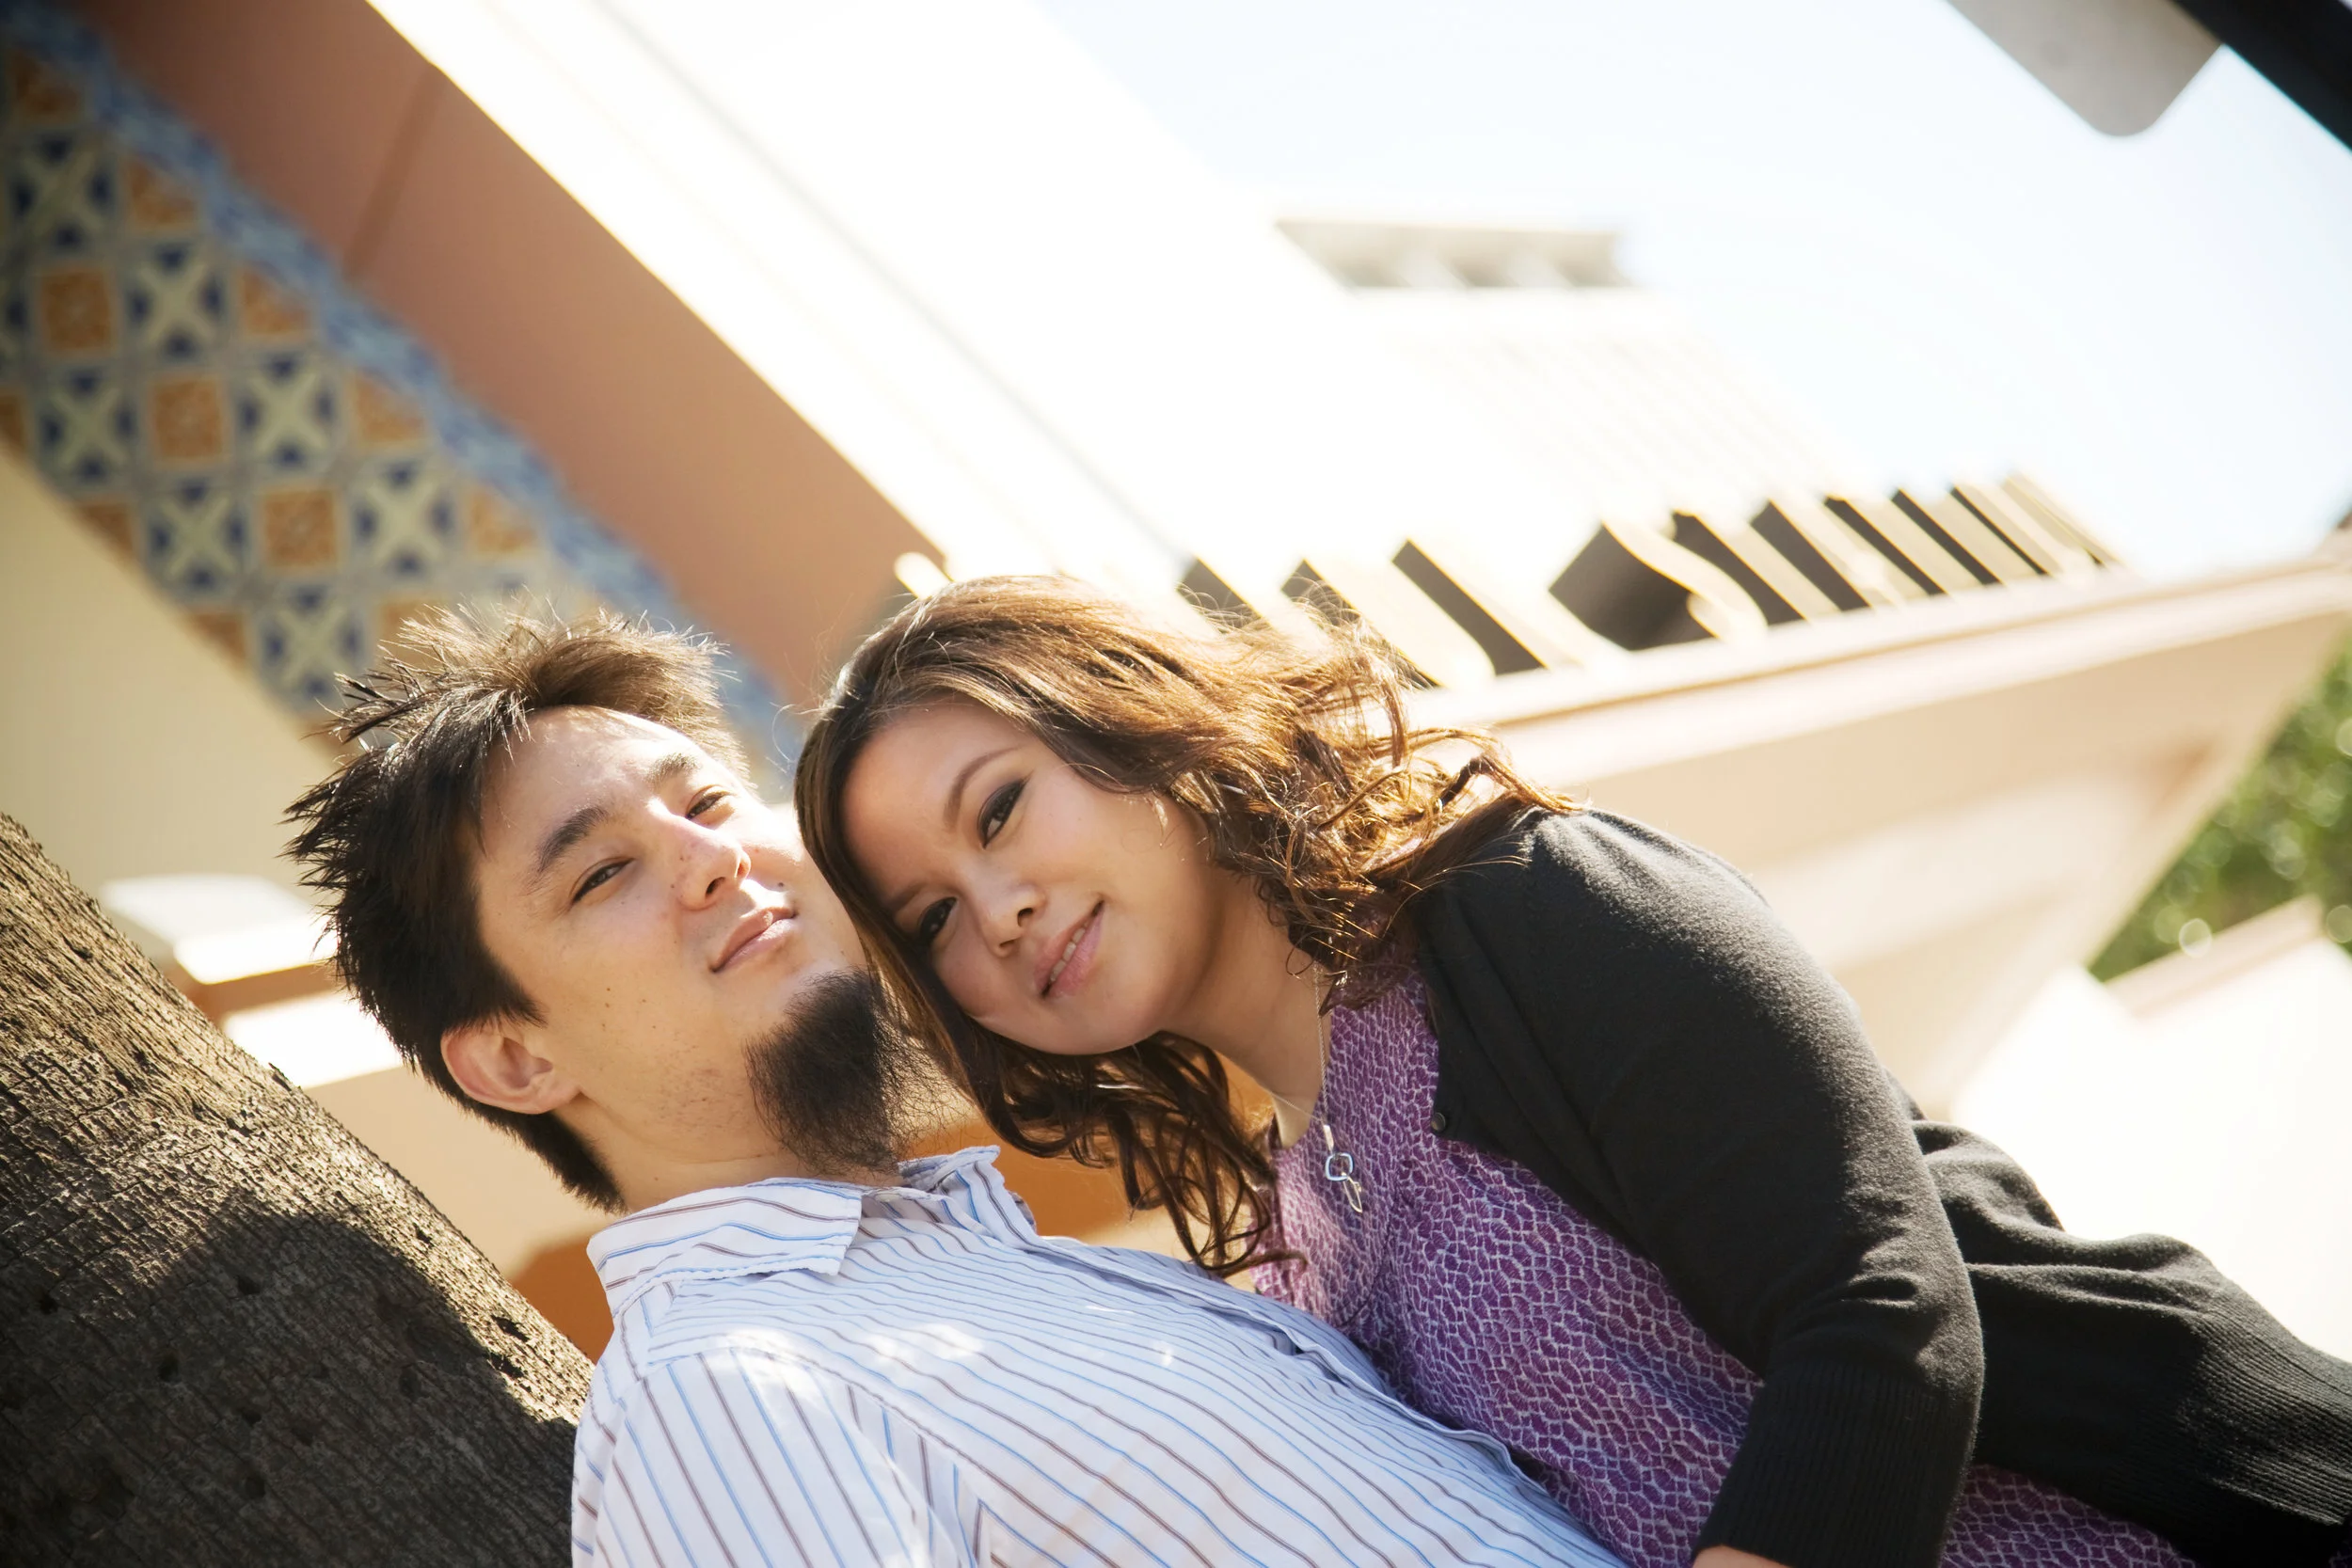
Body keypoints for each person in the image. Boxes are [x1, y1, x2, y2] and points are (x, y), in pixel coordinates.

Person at [794, 575, 2352, 1568]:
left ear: (1138, 726)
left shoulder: (1524, 902)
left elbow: (1881, 1314)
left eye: (999, 808)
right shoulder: (1293, 1258)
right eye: (931, 919)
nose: (995, 910)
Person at [284, 609, 1629, 1568]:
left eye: (704, 803)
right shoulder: (723, 1392)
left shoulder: (988, 1273)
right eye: (599, 874)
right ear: (517, 1057)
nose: (708, 860)